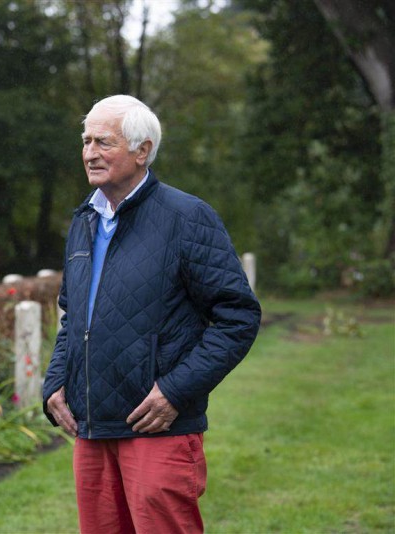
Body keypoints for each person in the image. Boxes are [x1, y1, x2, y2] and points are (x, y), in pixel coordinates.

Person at [43, 95, 261, 534]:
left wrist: (175, 391)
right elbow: (74, 317)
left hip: (159, 427)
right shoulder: (84, 220)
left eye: (103, 142)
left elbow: (238, 317)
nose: (89, 153)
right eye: (85, 141)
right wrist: (54, 382)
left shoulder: (187, 217)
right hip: (93, 430)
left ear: (142, 151)